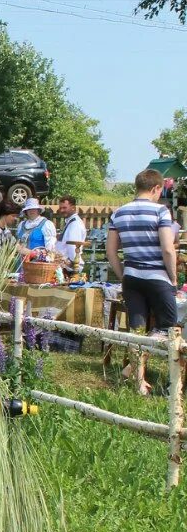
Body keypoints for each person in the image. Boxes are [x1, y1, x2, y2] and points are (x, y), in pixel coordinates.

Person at [107, 169, 179, 395]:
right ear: (156, 188)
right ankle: (130, 370)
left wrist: (123, 275)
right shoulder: (161, 211)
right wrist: (173, 278)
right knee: (168, 325)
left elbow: (111, 252)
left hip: (131, 277)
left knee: (136, 328)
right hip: (157, 276)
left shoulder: (118, 213)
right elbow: (168, 249)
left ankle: (137, 379)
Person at [55, 196, 86, 274]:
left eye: (64, 208)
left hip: (69, 268)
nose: (61, 210)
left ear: (73, 207)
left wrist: (72, 264)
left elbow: (73, 247)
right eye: (60, 208)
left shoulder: (75, 224)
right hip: (65, 266)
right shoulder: (70, 222)